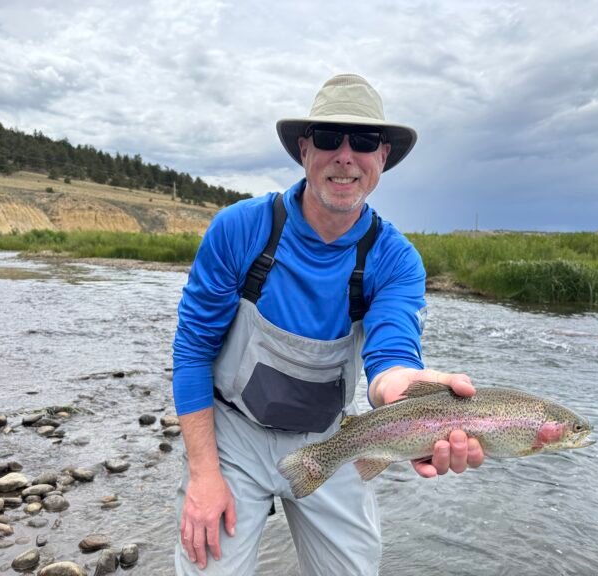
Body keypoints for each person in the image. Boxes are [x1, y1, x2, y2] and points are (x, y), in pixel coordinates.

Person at [171, 73, 485, 575]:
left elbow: (392, 358)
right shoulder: (240, 229)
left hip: (334, 438)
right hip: (230, 435)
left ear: (382, 157)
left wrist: (409, 397)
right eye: (327, 138)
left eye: (362, 142)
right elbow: (192, 353)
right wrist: (203, 473)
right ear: (303, 149)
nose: (345, 155)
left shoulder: (396, 260)